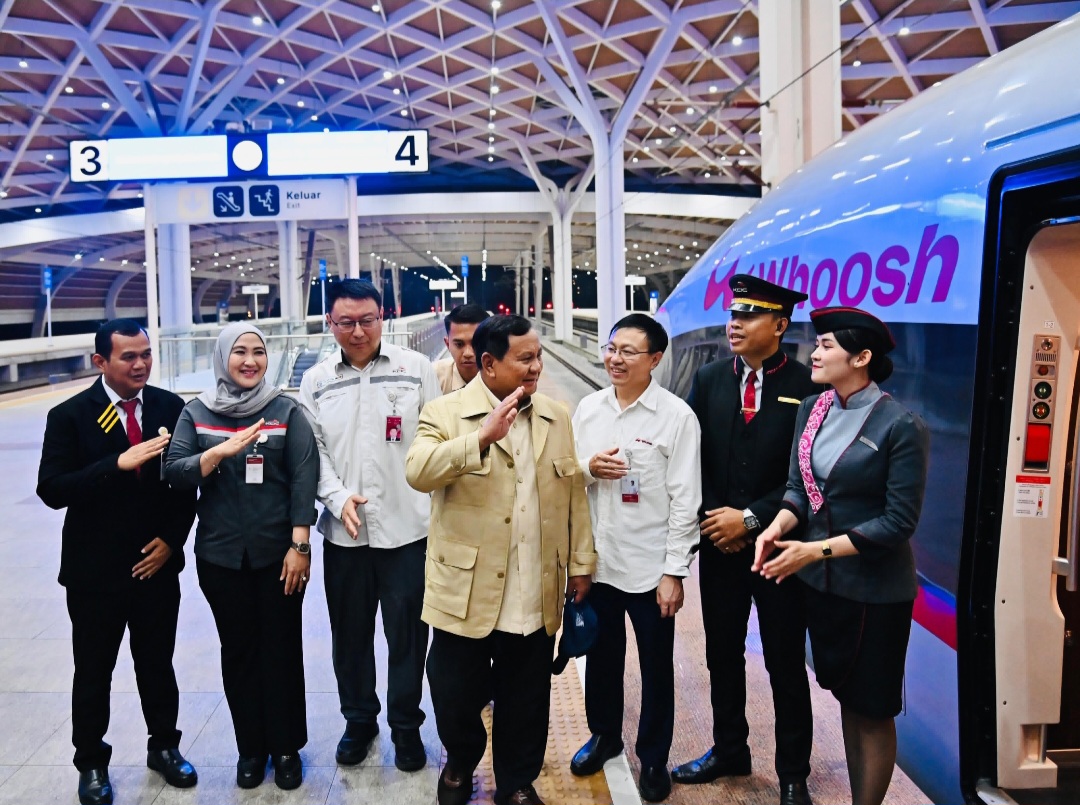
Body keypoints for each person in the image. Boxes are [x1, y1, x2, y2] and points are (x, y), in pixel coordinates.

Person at [405, 314, 596, 805]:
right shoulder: (445, 412)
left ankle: (516, 781)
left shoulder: (555, 416)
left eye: (539, 356)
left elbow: (572, 492)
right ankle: (460, 763)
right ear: (489, 364)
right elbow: (418, 471)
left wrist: (580, 563)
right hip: (465, 588)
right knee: (454, 690)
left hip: (534, 583)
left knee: (526, 695)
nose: (536, 367)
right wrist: (480, 439)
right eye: (525, 358)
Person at [753, 307, 930, 805]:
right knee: (848, 700)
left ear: (861, 357)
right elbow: (798, 488)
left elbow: (898, 522)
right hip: (823, 588)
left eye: (826, 345)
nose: (814, 352)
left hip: (875, 592)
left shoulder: (900, 426)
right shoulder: (813, 409)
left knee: (870, 709)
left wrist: (813, 551)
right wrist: (776, 527)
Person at [37, 319, 198, 805]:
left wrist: (172, 542)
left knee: (157, 664)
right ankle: (91, 762)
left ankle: (164, 746)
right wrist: (115, 464)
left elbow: (185, 483)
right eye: (129, 356)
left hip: (156, 568)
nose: (141, 364)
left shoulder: (170, 407)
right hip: (95, 574)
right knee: (93, 671)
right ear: (100, 361)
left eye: (146, 354)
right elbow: (52, 489)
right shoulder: (70, 415)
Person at [674, 275, 818, 805]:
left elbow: (809, 473)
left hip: (779, 551)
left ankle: (793, 773)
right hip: (721, 547)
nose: (734, 323)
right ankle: (730, 749)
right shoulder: (710, 379)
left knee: (784, 661)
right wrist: (719, 521)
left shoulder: (808, 387)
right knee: (722, 654)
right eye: (734, 313)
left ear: (779, 325)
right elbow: (691, 457)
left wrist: (751, 519)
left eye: (750, 314)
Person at [165, 323, 318, 791]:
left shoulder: (285, 410)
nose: (250, 361)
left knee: (282, 649)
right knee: (239, 652)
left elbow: (303, 476)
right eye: (239, 352)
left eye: (258, 352)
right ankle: (251, 748)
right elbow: (175, 471)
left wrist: (300, 545)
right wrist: (217, 454)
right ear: (222, 357)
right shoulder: (196, 412)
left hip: (279, 556)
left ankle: (286, 747)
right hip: (221, 558)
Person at [298, 279, 440, 772]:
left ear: (384, 317)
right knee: (350, 636)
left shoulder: (415, 369)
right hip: (346, 535)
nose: (358, 331)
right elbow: (312, 452)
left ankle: (406, 726)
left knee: (408, 637)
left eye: (367, 320)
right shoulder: (316, 380)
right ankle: (359, 720)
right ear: (330, 323)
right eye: (346, 322)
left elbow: (435, 437)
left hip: (408, 530)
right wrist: (337, 498)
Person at [569, 314, 701, 802]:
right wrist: (588, 468)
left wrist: (674, 572)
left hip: (650, 569)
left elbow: (686, 500)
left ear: (655, 359)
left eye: (628, 351)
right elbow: (569, 479)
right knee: (601, 658)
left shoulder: (676, 417)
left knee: (656, 667)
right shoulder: (588, 409)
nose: (615, 359)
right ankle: (605, 736)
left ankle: (654, 757)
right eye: (611, 348)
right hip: (600, 564)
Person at [434, 303, 490, 393]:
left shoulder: (503, 377)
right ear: (447, 344)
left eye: (475, 343)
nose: (468, 353)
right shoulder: (433, 377)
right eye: (459, 344)